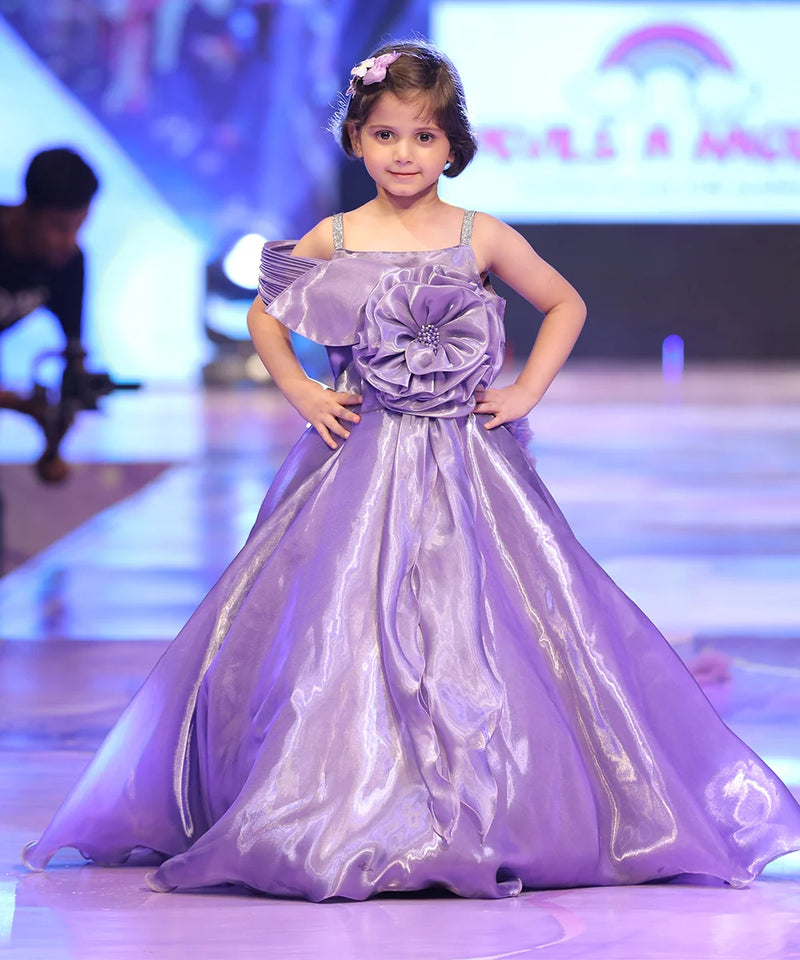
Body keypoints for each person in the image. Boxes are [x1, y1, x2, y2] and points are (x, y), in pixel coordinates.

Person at [22, 41, 800, 900]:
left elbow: (564, 302)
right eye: (386, 134)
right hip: (354, 461)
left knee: (485, 624)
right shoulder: (337, 236)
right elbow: (265, 315)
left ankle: (490, 798)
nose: (404, 153)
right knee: (338, 630)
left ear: (452, 146)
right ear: (356, 138)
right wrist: (307, 395)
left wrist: (524, 389)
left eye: (423, 137)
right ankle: (346, 792)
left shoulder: (479, 236)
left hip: (471, 468)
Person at [0, 147, 99, 482]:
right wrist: (27, 407)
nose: (69, 242)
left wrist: (57, 426)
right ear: (25, 209)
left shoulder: (69, 264)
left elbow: (74, 352)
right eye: (59, 227)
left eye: (79, 227)